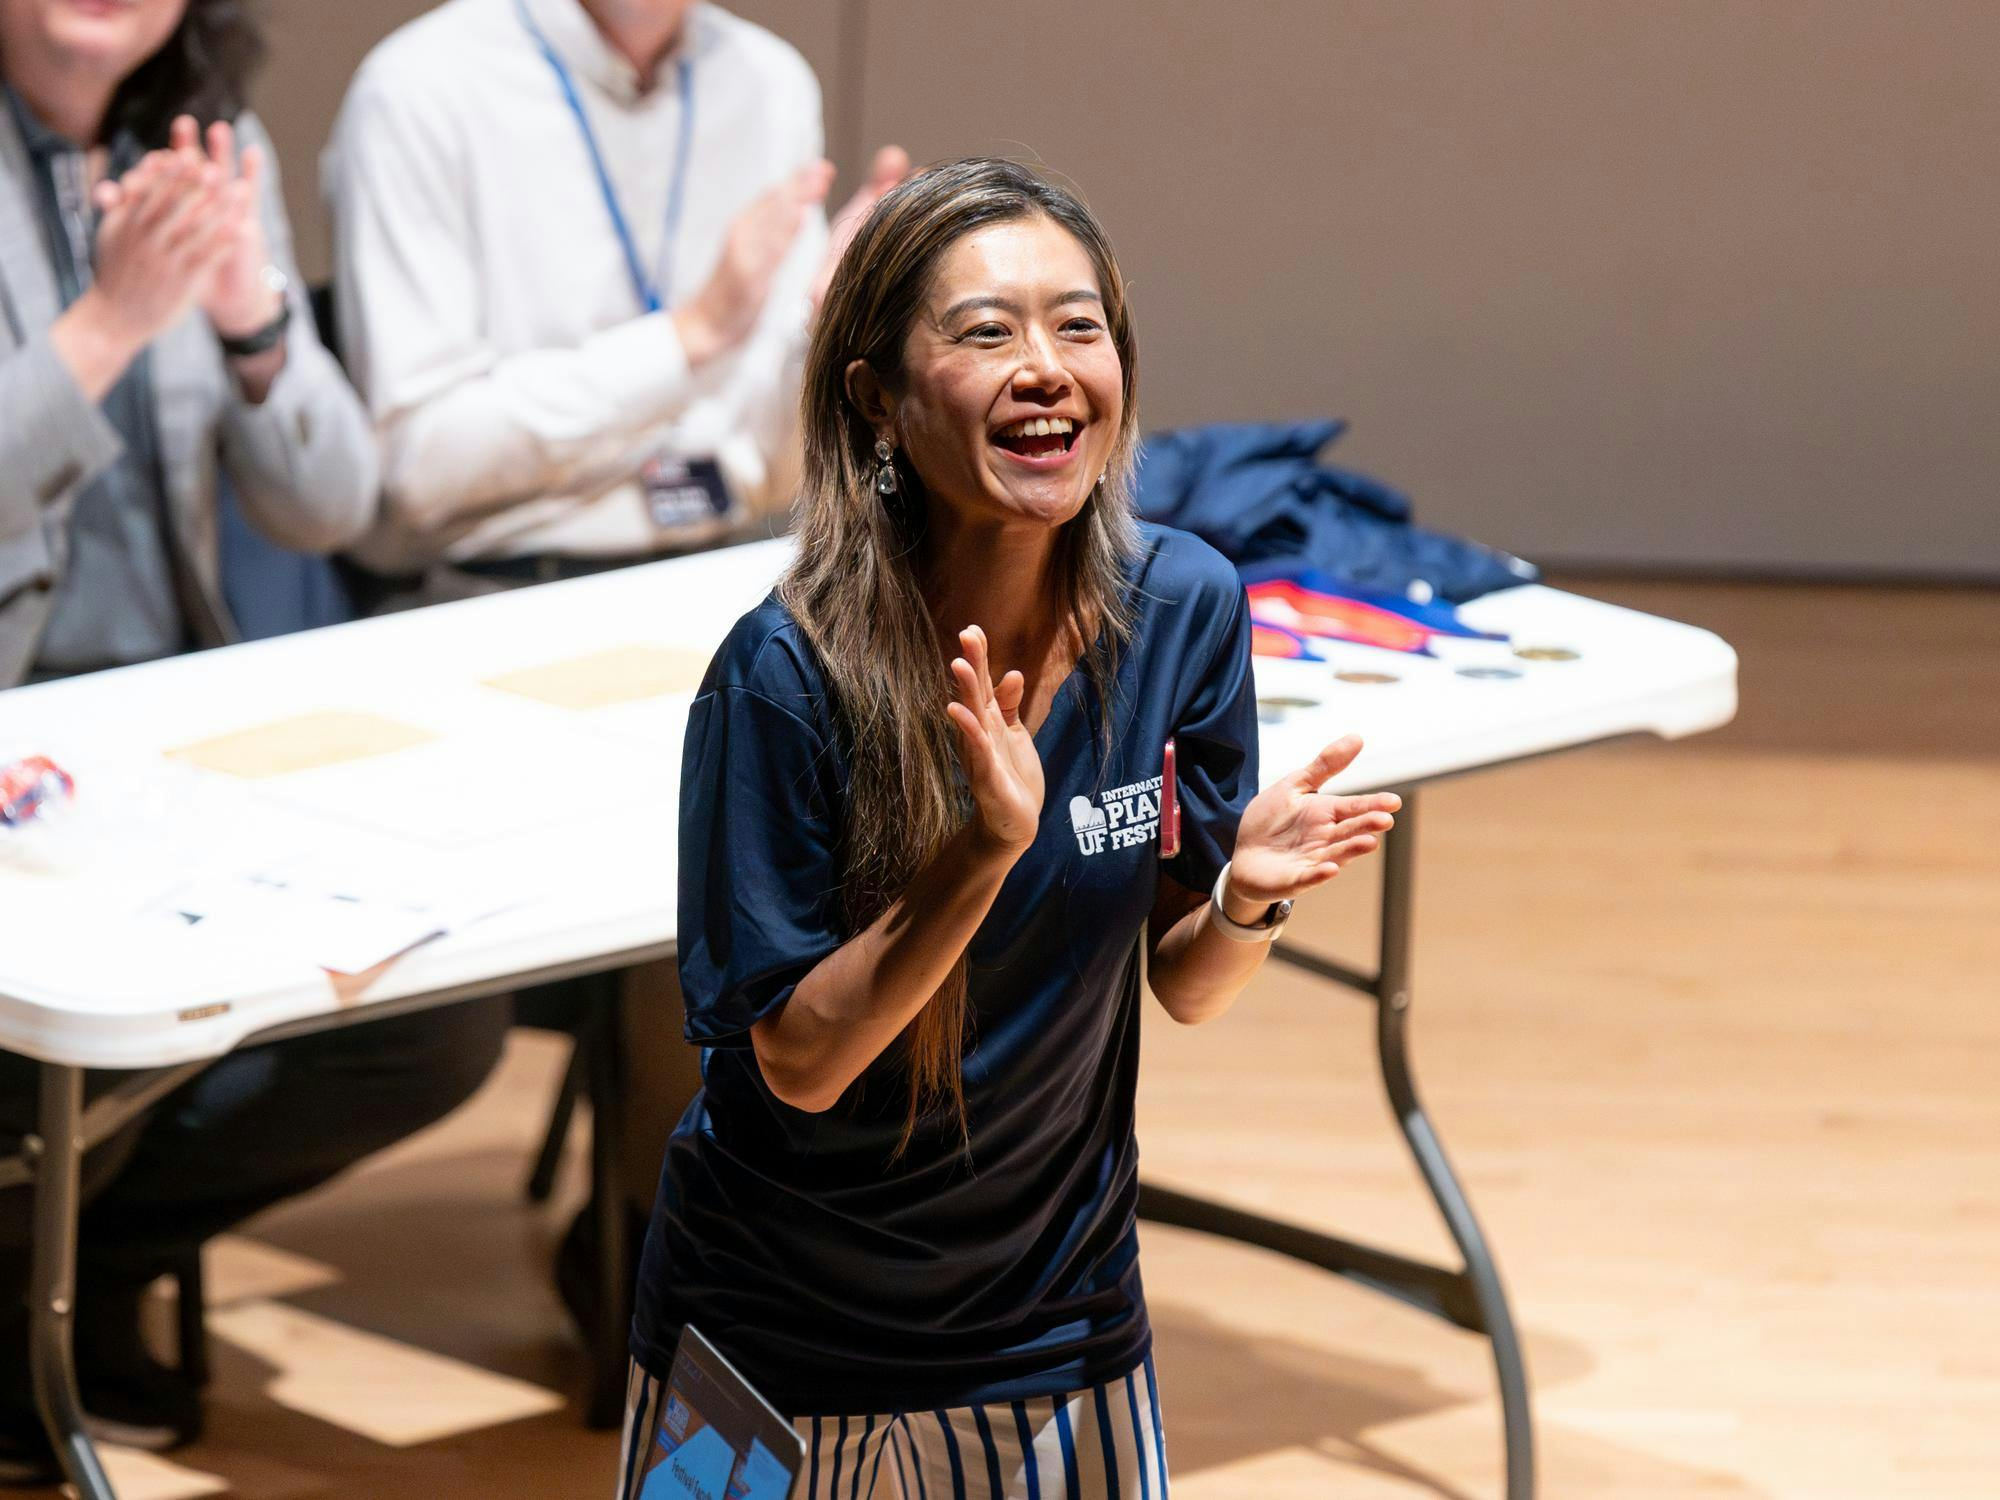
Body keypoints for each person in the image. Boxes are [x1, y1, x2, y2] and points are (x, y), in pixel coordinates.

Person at [621, 159, 1404, 1500]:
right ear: (876, 398)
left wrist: (1245, 901)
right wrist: (978, 852)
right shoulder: (783, 676)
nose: (1045, 366)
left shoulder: (1185, 612)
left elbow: (1184, 986)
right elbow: (800, 1062)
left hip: (1060, 1325)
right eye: (987, 332)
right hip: (778, 1341)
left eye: (1078, 325)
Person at [0, 0, 507, 1482]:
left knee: (431, 1014)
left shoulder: (212, 145)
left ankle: (64, 1272)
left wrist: (246, 314)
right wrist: (107, 323)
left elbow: (329, 504)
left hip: (178, 731)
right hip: (13, 738)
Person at [326, 0, 908, 600]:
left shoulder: (767, 81)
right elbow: (420, 470)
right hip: (491, 589)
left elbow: (783, 474)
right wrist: (689, 336)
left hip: (728, 569)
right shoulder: (420, 87)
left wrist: (824, 332)